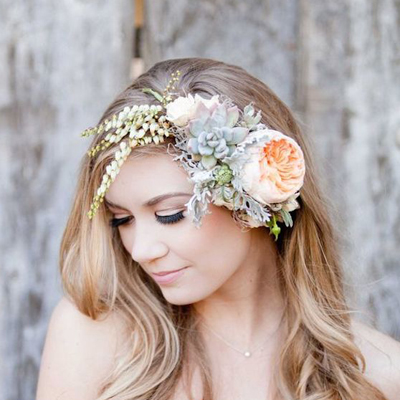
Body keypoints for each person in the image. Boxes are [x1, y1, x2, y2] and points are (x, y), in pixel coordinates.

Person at [36, 58, 400, 400]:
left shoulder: (377, 373)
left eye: (170, 214)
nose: (141, 250)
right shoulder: (91, 337)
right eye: (121, 219)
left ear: (256, 196)